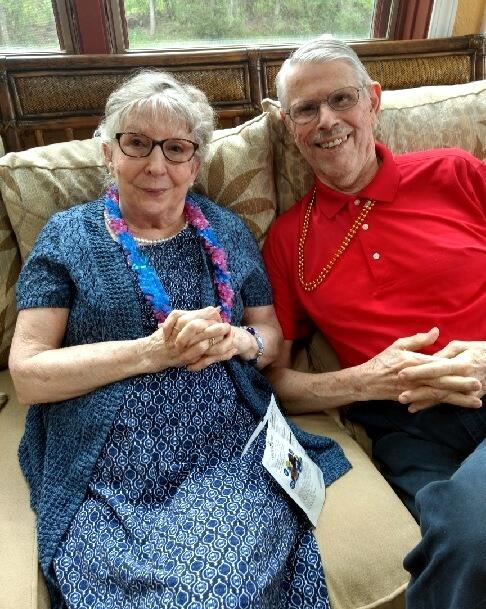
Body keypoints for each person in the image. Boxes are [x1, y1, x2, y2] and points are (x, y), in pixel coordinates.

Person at [9, 70, 349, 609]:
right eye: (137, 143)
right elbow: (28, 374)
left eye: (175, 148)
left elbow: (269, 334)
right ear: (108, 152)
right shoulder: (67, 237)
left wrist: (237, 341)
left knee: (212, 587)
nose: (156, 165)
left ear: (195, 163)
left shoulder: (228, 232)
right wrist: (152, 352)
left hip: (226, 451)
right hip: (106, 457)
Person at [262, 38, 486, 609]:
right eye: (306, 109)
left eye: (342, 99)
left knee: (470, 538)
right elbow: (274, 383)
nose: (327, 120)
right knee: (462, 536)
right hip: (409, 428)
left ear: (373, 101)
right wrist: (366, 380)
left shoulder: (454, 172)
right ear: (289, 126)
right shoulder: (287, 240)